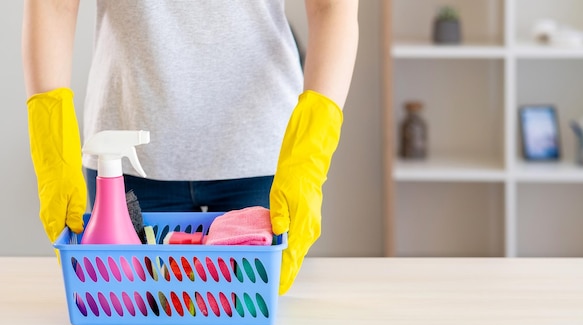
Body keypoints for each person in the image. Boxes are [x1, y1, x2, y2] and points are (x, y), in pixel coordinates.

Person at [22, 0, 358, 295]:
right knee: (127, 322)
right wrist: (54, 154)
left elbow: (331, 5)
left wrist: (308, 160)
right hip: (125, 156)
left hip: (263, 156)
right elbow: (54, 4)